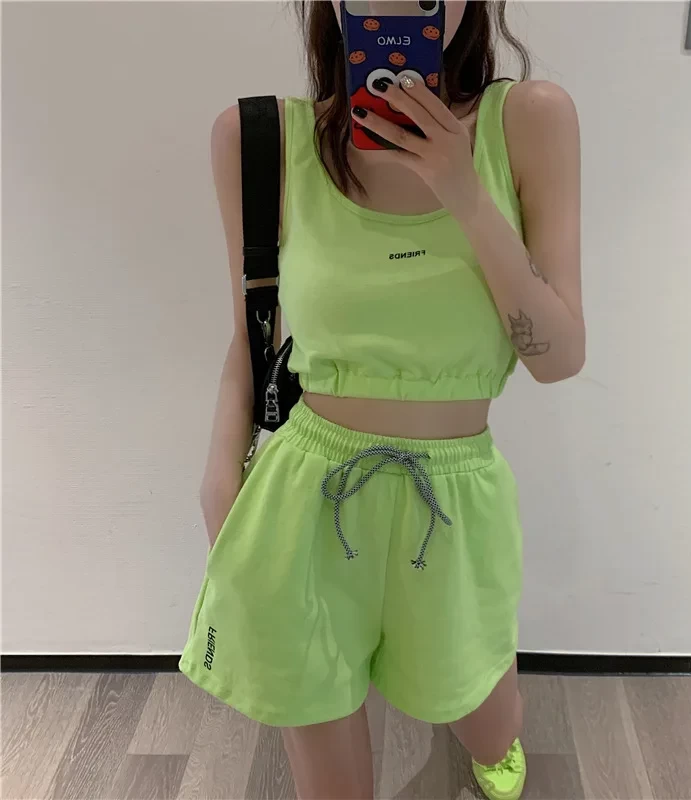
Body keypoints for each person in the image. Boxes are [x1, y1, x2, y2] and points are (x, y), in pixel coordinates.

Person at [179, 2, 584, 798]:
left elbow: (560, 359)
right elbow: (253, 328)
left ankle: (490, 740)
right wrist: (220, 481)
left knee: (487, 718)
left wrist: (463, 191)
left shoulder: (529, 122)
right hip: (303, 499)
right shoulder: (260, 139)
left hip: (454, 501)